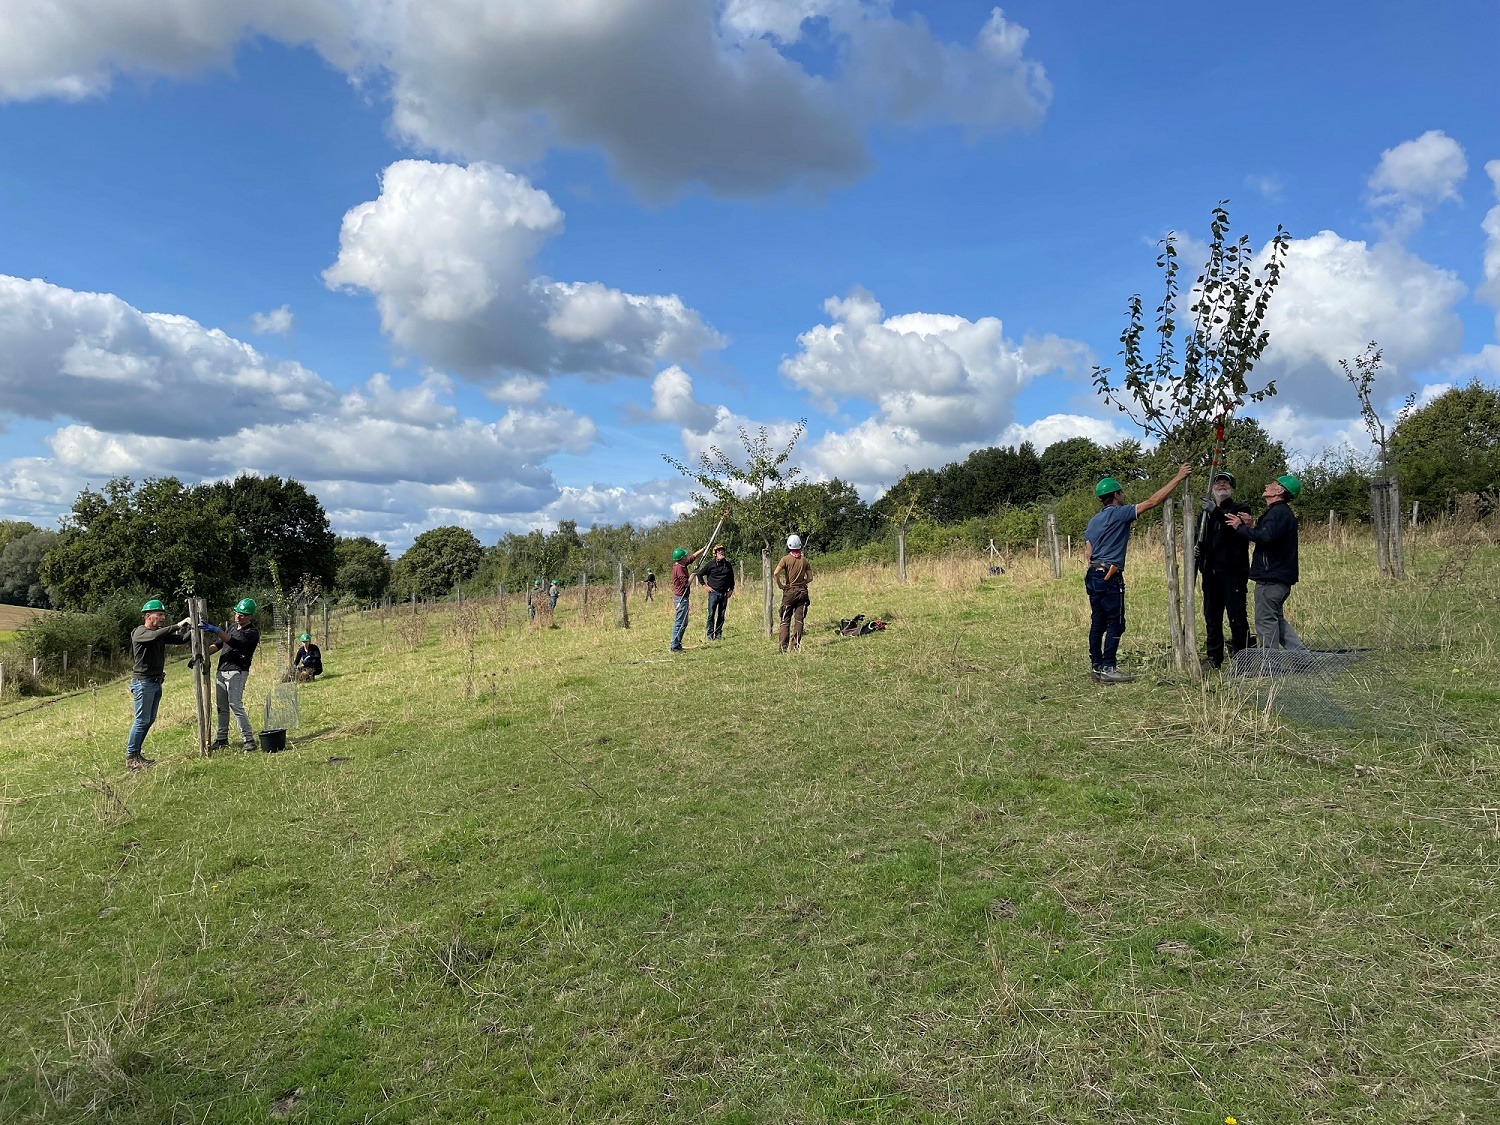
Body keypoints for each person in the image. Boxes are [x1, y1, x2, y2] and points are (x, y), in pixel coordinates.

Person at [1083, 463, 1193, 684]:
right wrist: (1178, 477)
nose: (1123, 496)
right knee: (1116, 622)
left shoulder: (1094, 521)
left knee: (1098, 621)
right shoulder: (1120, 513)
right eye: (1121, 492)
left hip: (1093, 574)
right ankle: (1109, 667)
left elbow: (1088, 552)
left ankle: (1096, 667)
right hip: (1109, 575)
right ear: (1115, 495)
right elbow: (1153, 501)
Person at [1228, 473, 1306, 668]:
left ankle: (1271, 665)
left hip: (1271, 579)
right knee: (1276, 620)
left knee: (1265, 622)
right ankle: (1302, 658)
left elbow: (1265, 538)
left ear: (1279, 491)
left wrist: (1240, 528)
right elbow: (1267, 534)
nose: (1267, 485)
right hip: (1278, 578)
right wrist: (1250, 526)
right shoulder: (1278, 513)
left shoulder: (1279, 513)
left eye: (1272, 484)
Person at [125, 598, 192, 769]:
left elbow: (182, 639)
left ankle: (137, 754)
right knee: (141, 720)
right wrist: (178, 625)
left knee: (149, 720)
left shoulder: (159, 634)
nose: (163, 618)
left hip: (155, 683)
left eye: (164, 615)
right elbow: (154, 636)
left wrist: (194, 628)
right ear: (148, 616)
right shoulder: (140, 632)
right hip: (143, 683)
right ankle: (131, 757)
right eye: (159, 614)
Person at [1197, 471, 1252, 669]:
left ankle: (1243, 658)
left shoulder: (1240, 509)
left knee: (1237, 615)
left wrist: (1215, 511)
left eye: (1225, 483)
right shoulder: (1204, 514)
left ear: (1232, 488)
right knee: (1211, 616)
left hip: (1233, 572)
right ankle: (1214, 657)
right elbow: (1201, 538)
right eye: (1218, 482)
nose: (1221, 485)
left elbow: (1234, 529)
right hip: (1210, 574)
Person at [200, 597, 260, 751]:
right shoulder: (232, 627)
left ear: (250, 616)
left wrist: (218, 630)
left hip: (237, 671)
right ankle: (221, 739)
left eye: (242, 614)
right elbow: (218, 644)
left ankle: (248, 740)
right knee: (222, 707)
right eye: (237, 613)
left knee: (235, 704)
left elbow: (236, 643)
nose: (238, 616)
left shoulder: (252, 632)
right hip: (222, 670)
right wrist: (202, 654)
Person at [773, 534, 813, 653]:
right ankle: (795, 646)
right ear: (800, 545)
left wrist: (781, 585)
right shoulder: (805, 560)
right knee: (799, 620)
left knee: (785, 620)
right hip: (802, 592)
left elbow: (775, 573)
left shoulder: (785, 559)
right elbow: (810, 578)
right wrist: (802, 582)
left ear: (788, 546)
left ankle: (783, 647)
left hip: (789, 592)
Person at [668, 545, 705, 652]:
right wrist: (694, 574)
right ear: (682, 558)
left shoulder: (681, 564)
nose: (686, 557)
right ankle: (674, 646)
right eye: (685, 556)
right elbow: (686, 584)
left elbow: (692, 557)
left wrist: (703, 550)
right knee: (680, 622)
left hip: (682, 597)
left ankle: (677, 643)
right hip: (681, 598)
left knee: (684, 622)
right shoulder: (679, 569)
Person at [697, 543, 735, 640]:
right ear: (715, 553)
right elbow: (700, 574)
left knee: (721, 615)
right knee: (711, 614)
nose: (721, 552)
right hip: (713, 593)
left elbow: (731, 579)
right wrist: (704, 586)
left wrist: (731, 590)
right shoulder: (710, 564)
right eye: (719, 551)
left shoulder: (728, 565)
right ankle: (710, 635)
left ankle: (718, 634)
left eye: (722, 550)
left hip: (724, 593)